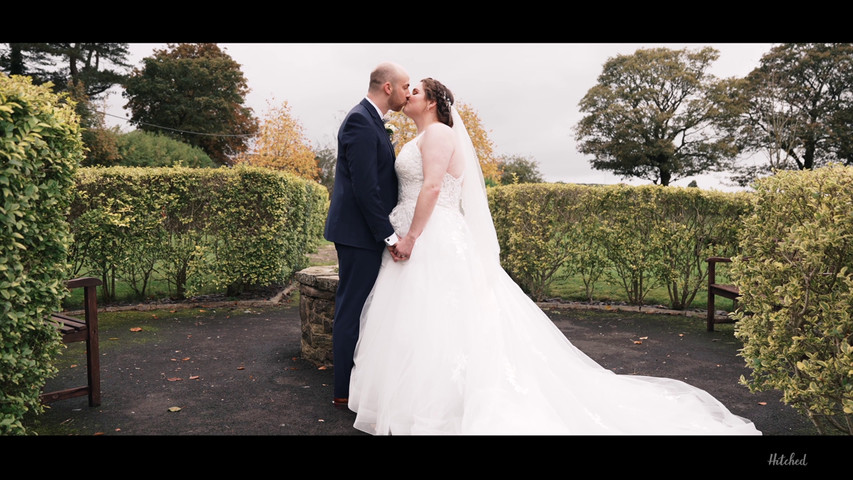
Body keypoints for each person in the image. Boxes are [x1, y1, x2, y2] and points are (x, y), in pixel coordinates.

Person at [346, 78, 762, 435]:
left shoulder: (438, 134)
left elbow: (433, 189)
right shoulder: (419, 137)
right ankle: (414, 399)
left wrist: (413, 236)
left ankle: (440, 407)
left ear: (432, 101)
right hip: (415, 232)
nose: (407, 96)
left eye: (414, 91)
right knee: (420, 319)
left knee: (442, 317)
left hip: (433, 234)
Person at [323, 62, 410, 407]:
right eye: (405, 86)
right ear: (388, 87)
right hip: (358, 234)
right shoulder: (361, 120)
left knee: (362, 308)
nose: (408, 93)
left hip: (363, 232)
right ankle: (342, 390)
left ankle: (355, 383)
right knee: (351, 308)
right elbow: (365, 188)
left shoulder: (373, 120)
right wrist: (388, 236)